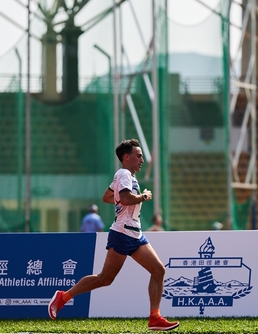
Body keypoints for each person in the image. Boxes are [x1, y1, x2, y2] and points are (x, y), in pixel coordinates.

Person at [48, 139, 179, 331]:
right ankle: (63, 297)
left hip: (135, 234)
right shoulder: (124, 173)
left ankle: (155, 317)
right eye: (139, 155)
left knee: (158, 270)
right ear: (127, 157)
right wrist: (143, 196)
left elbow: (107, 197)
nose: (142, 159)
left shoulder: (127, 177)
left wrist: (121, 199)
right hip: (122, 233)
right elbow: (125, 199)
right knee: (105, 279)